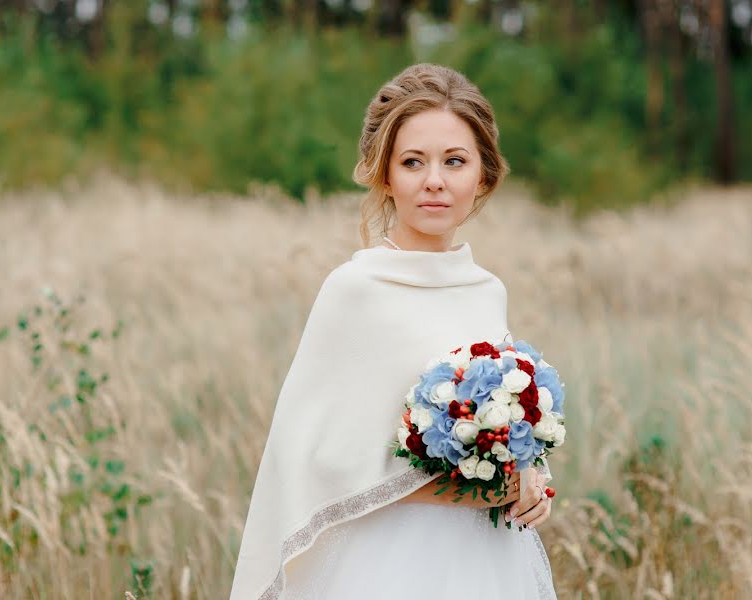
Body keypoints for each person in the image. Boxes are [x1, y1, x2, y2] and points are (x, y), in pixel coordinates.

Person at [230, 63, 557, 600]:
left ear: (484, 175)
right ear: (385, 174)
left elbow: (502, 423)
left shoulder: (486, 290)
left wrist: (531, 480)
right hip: (385, 563)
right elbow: (322, 455)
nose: (434, 180)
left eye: (455, 161)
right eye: (413, 162)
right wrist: (468, 491)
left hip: (488, 562)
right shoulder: (354, 288)